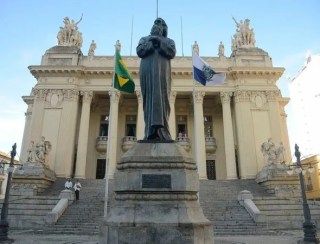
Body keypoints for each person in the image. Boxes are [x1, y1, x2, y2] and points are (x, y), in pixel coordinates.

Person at [136, 17, 176, 141]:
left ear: (165, 28)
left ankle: (163, 131)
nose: (157, 26)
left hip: (162, 72)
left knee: (163, 99)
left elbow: (171, 52)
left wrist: (159, 41)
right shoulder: (144, 39)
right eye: (156, 24)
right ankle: (150, 132)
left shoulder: (169, 41)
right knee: (148, 100)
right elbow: (140, 51)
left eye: (161, 24)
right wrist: (152, 43)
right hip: (147, 72)